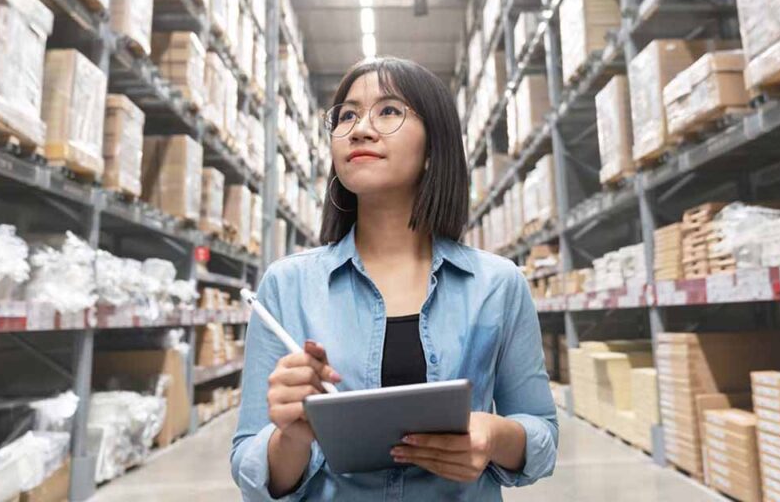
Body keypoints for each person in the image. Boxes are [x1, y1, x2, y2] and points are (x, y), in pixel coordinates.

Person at [231, 57, 558, 500]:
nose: (360, 129)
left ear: (433, 147)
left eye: (388, 111)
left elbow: (542, 434)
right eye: (347, 115)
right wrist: (292, 435)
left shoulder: (497, 285)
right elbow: (252, 468)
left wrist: (493, 436)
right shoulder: (286, 286)